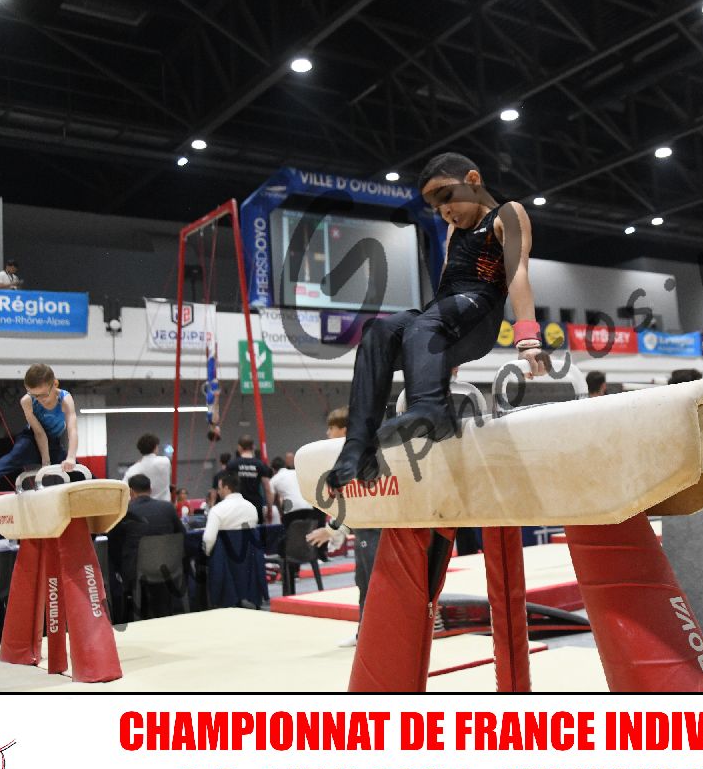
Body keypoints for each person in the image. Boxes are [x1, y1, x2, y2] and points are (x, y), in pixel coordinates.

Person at [325, 152, 551, 493]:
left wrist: (528, 340)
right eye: (437, 206)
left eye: (447, 197)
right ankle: (359, 444)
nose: (445, 211)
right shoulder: (452, 229)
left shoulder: (507, 213)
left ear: (472, 181)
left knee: (422, 326)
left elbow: (518, 272)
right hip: (447, 318)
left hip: (480, 315)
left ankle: (432, 409)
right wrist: (437, 356)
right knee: (378, 332)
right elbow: (446, 284)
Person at [309, 406, 379, 647]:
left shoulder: (363, 456)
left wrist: (332, 529)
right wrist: (333, 529)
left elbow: (360, 501)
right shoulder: (345, 459)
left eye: (331, 428)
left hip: (376, 528)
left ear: (345, 430)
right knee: (363, 582)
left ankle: (379, 634)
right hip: (362, 526)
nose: (327, 433)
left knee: (373, 584)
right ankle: (365, 634)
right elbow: (351, 502)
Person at [0, 363, 77, 490]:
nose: (40, 399)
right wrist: (46, 463)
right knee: (17, 454)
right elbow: (39, 433)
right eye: (35, 395)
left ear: (55, 384)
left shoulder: (65, 399)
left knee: (76, 470)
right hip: (30, 438)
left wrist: (71, 457)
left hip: (54, 443)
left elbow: (72, 430)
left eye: (44, 395)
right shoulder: (27, 401)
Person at [108, 473, 187, 606]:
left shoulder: (125, 512)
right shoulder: (168, 508)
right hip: (169, 566)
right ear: (150, 490)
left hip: (138, 570)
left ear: (131, 492)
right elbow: (182, 534)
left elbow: (113, 544)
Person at [203, 472, 259, 557]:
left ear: (226, 488)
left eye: (219, 488)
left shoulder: (216, 510)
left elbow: (208, 540)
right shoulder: (252, 508)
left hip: (225, 561)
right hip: (249, 560)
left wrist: (207, 554)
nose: (218, 492)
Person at [226, 435, 275, 522]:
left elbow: (227, 487)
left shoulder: (232, 465)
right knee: (256, 530)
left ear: (239, 447)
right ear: (253, 447)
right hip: (256, 506)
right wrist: (269, 509)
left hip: (238, 506)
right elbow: (267, 488)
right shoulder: (260, 464)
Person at [122, 433, 172, 502]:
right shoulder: (165, 461)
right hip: (164, 505)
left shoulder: (133, 469)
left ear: (140, 450)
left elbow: (123, 489)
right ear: (155, 447)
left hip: (142, 505)